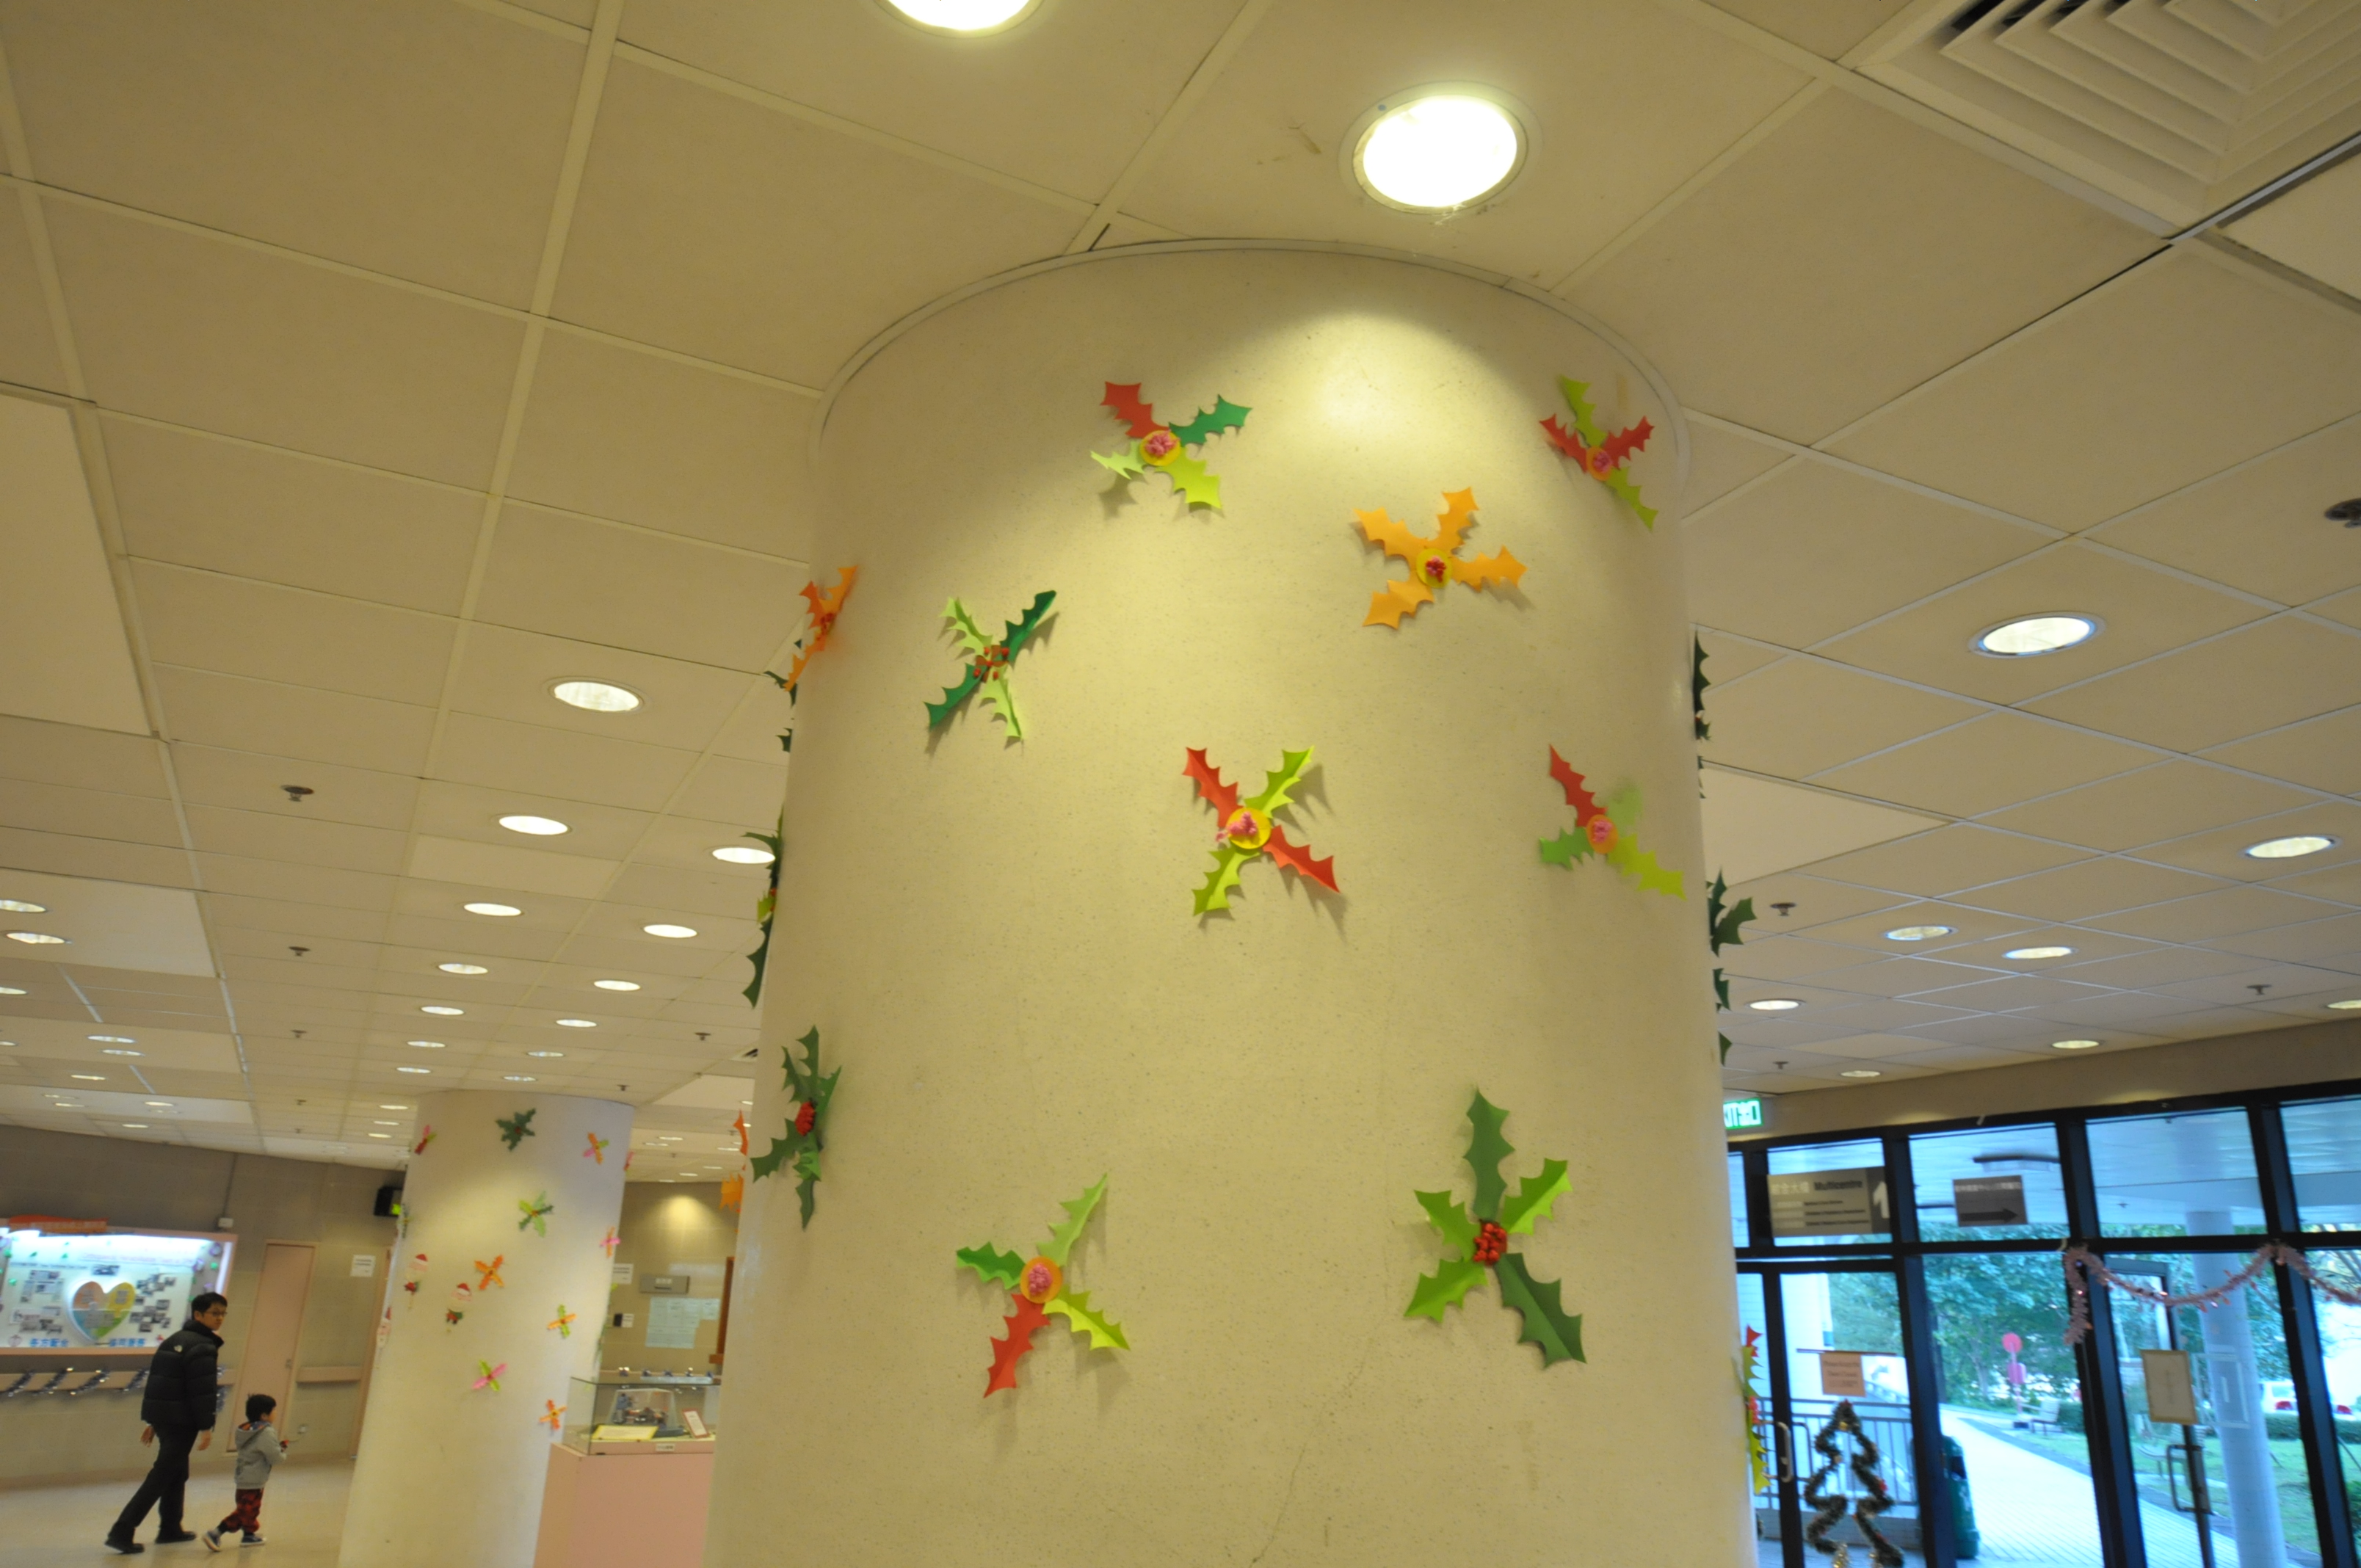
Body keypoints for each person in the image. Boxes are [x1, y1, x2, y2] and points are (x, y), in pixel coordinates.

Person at [106, 1291, 228, 1554]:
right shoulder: (203, 1346)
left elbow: (160, 1385)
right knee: (161, 1475)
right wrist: (206, 1426)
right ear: (198, 1315)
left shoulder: (174, 1340)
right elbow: (202, 1391)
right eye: (214, 1313)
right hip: (182, 1421)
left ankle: (170, 1528)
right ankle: (122, 1531)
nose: (219, 1318)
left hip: (166, 1418)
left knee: (177, 1472)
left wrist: (154, 1421)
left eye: (222, 1314)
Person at [204, 1393, 287, 1551]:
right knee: (245, 1511)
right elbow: (274, 1457)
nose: (276, 1413)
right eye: (274, 1410)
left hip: (243, 1476)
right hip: (255, 1479)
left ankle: (249, 1535)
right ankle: (216, 1533)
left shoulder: (245, 1429)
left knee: (251, 1509)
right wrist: (282, 1452)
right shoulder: (266, 1432)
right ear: (264, 1415)